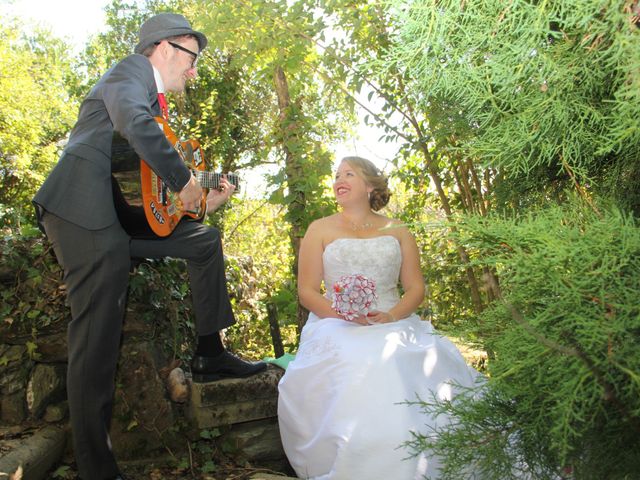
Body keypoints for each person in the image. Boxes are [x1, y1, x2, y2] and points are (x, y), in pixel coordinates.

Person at [32, 13, 265, 480]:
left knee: (203, 240)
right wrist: (184, 179)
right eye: (193, 58)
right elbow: (135, 124)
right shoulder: (131, 72)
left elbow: (152, 200)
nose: (194, 71)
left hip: (120, 216)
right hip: (83, 212)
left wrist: (202, 200)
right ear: (165, 48)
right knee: (96, 341)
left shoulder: (154, 109)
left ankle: (209, 351)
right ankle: (98, 471)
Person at [277, 156, 482, 479]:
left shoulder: (398, 229)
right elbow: (307, 291)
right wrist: (343, 315)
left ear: (370, 185)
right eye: (336, 175)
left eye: (348, 174)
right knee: (356, 359)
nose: (338, 180)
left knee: (414, 357)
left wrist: (390, 316)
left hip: (392, 321)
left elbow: (415, 289)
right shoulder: (319, 229)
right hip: (335, 323)